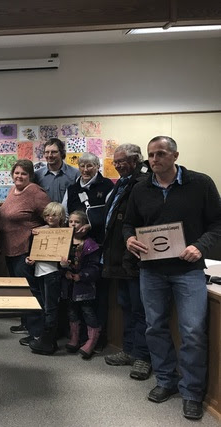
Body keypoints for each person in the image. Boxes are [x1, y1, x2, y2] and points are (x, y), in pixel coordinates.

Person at [124, 136, 221, 420]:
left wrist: (200, 246)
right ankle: (165, 380)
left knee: (192, 331)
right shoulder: (141, 188)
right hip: (151, 271)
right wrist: (129, 239)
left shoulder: (200, 183)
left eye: (161, 154)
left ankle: (191, 392)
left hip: (189, 270)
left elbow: (218, 222)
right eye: (151, 156)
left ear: (175, 155)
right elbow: (129, 223)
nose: (154, 160)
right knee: (155, 327)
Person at [102, 144, 152, 380]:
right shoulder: (122, 184)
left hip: (136, 257)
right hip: (120, 257)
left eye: (122, 161)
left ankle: (142, 356)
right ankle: (129, 349)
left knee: (140, 309)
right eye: (116, 162)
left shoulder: (143, 184)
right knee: (126, 306)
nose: (118, 165)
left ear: (135, 160)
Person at [0, 159, 51, 344]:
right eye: (16, 173)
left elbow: (53, 217)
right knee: (20, 291)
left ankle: (37, 332)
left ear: (30, 176)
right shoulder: (14, 191)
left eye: (23, 174)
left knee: (31, 291)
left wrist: (40, 230)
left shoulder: (36, 192)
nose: (19, 176)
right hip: (10, 249)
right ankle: (26, 324)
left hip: (25, 250)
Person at [24, 202, 66, 355]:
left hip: (53, 273)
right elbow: (31, 254)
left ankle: (47, 342)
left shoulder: (64, 233)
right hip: (39, 272)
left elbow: (66, 259)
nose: (50, 217)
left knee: (51, 308)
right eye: (47, 214)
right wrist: (29, 259)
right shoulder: (39, 231)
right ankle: (47, 339)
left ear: (60, 217)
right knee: (44, 306)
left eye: (54, 215)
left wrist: (65, 263)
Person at [60, 210, 102, 359]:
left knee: (88, 311)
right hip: (69, 285)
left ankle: (91, 340)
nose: (73, 224)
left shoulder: (90, 245)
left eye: (77, 222)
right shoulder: (65, 241)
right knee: (71, 311)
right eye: (71, 222)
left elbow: (95, 267)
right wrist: (63, 270)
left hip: (84, 286)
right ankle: (75, 337)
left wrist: (82, 276)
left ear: (84, 225)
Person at [62, 152, 114, 244]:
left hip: (100, 240)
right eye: (82, 166)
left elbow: (111, 213)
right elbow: (65, 214)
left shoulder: (107, 185)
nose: (85, 170)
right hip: (75, 240)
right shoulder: (71, 189)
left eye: (89, 166)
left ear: (97, 166)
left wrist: (91, 225)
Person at [35, 138, 80, 203]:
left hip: (68, 213)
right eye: (47, 152)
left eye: (54, 152)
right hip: (45, 213)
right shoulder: (37, 175)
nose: (50, 155)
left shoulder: (75, 174)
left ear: (62, 153)